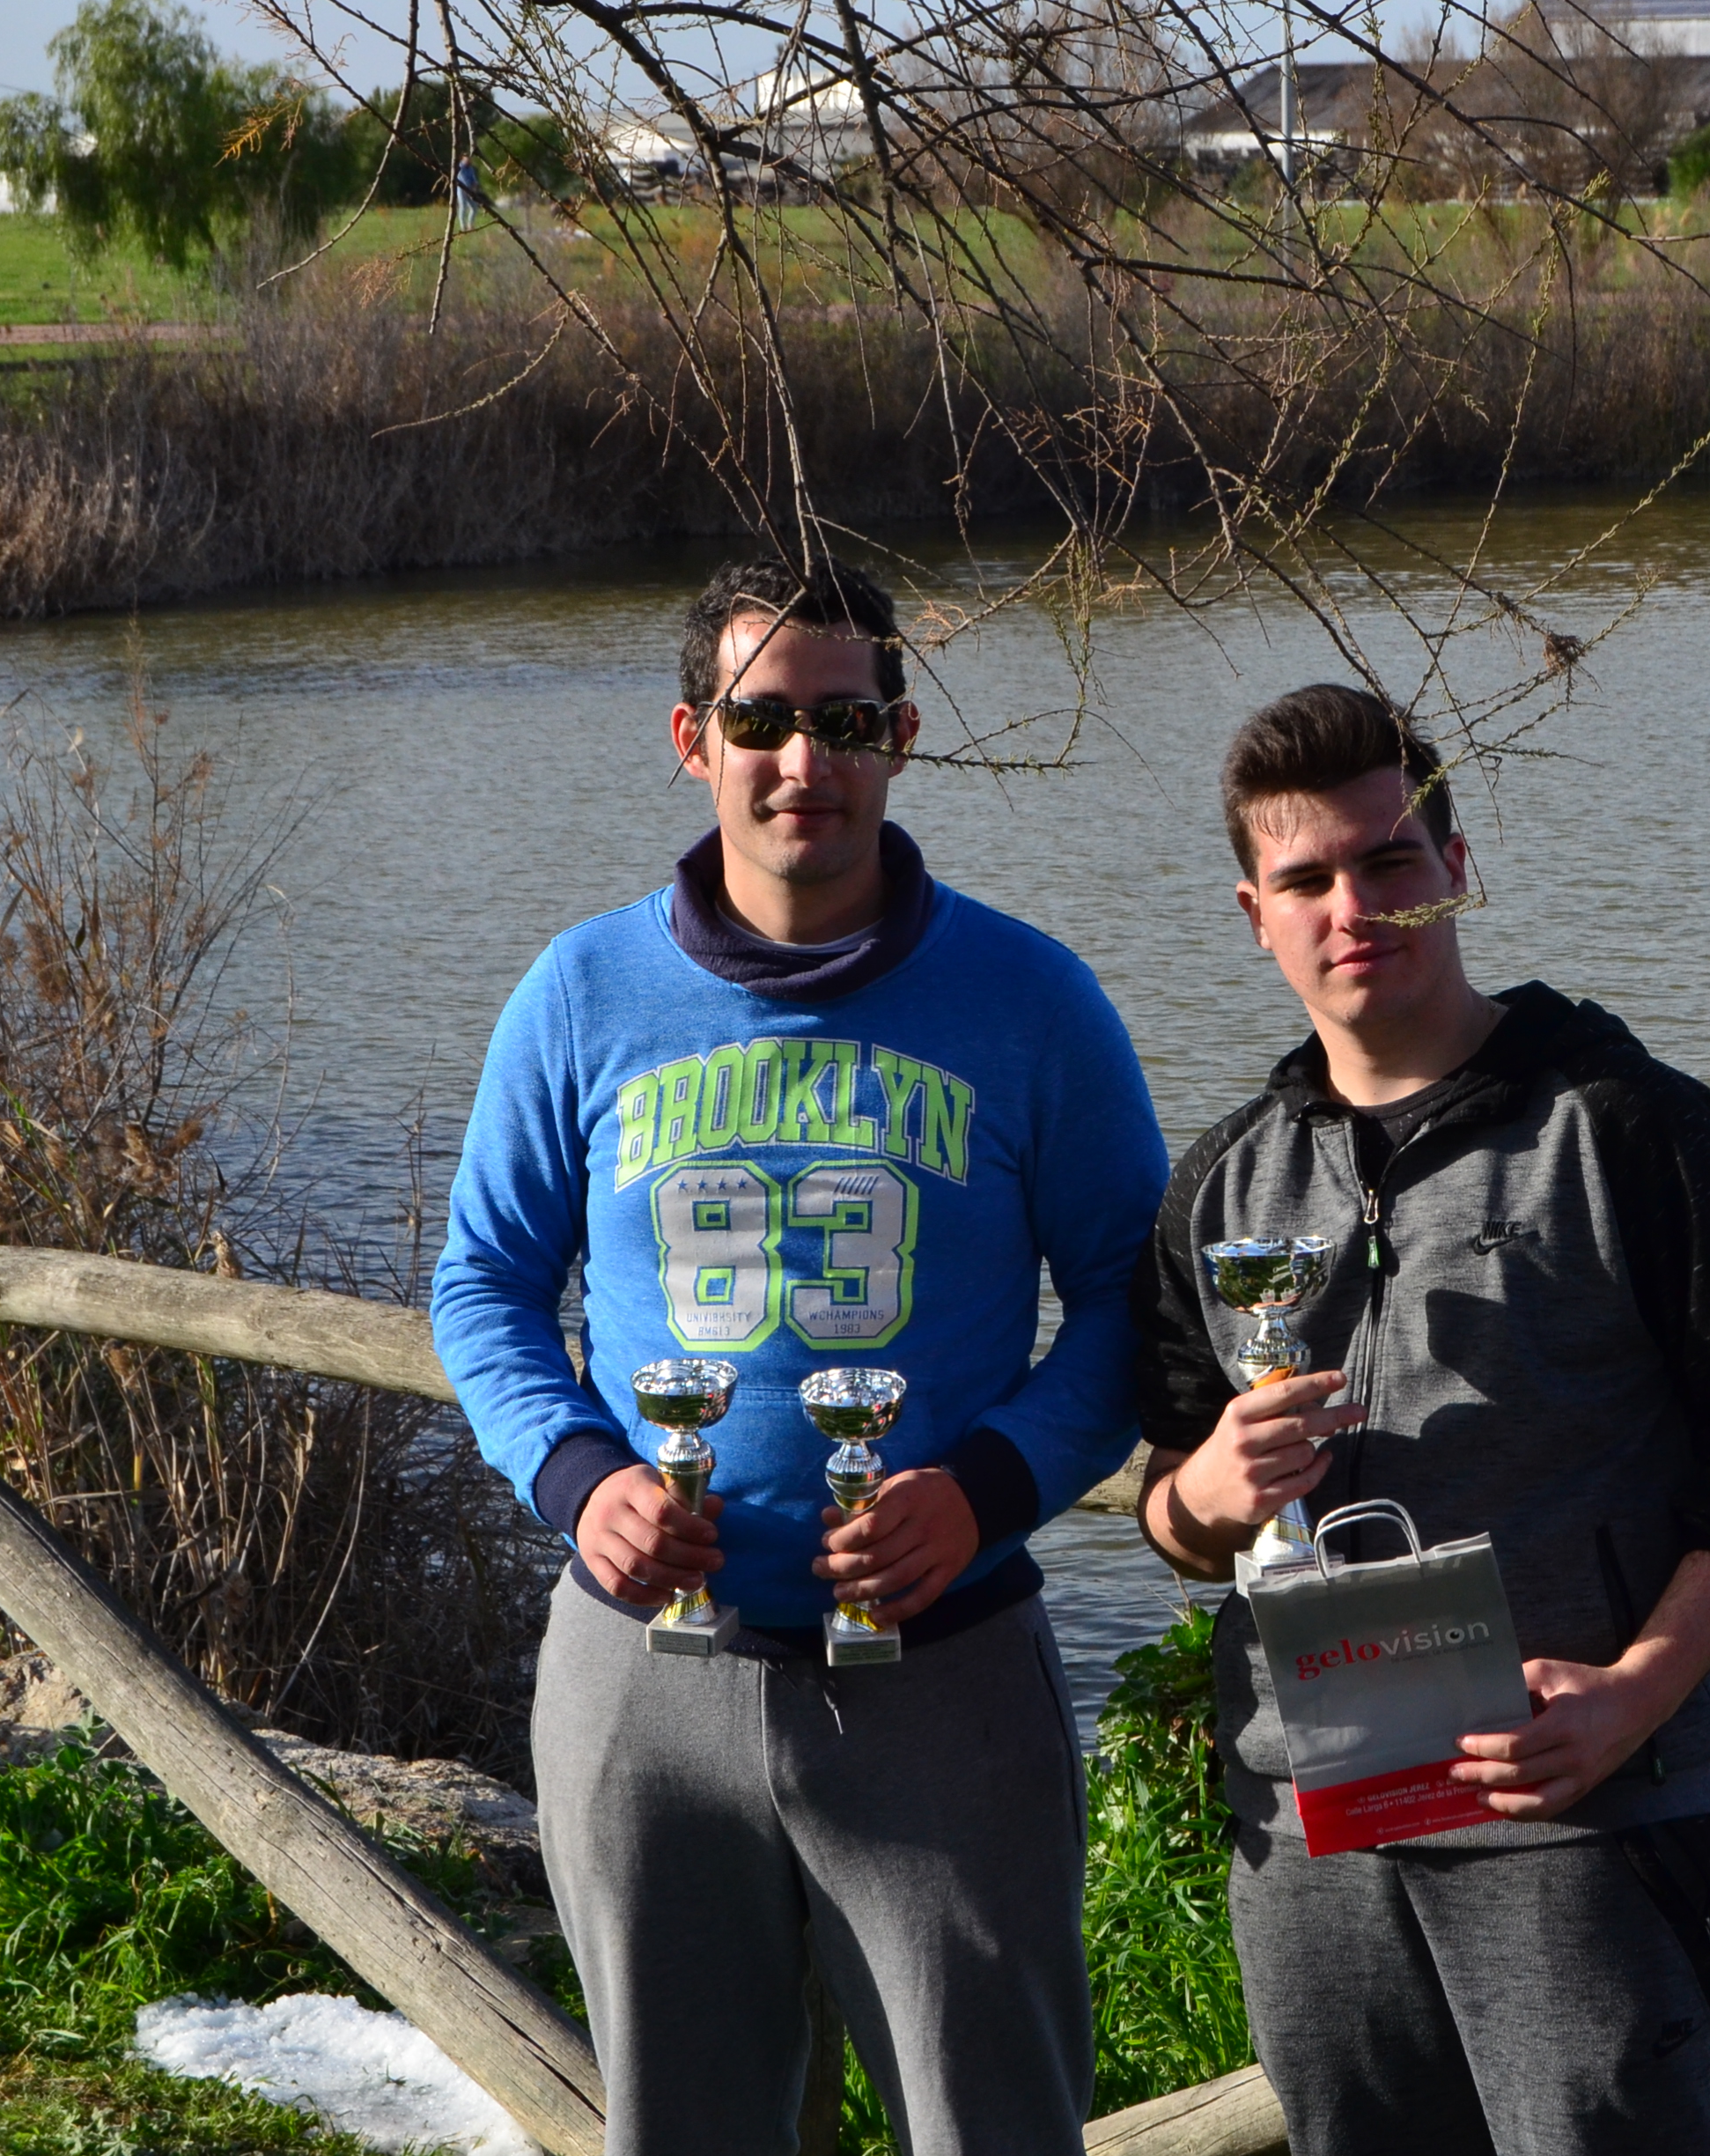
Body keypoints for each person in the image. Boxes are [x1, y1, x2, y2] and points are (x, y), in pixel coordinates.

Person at [431, 557, 1167, 2155]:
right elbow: (483, 1283)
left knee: (992, 2127)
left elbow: (1137, 1304)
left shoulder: (1034, 1002)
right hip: (643, 1678)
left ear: (901, 736)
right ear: (691, 737)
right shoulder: (581, 994)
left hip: (944, 1669)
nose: (801, 762)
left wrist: (989, 1490)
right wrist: (581, 1479)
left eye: (844, 720)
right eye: (761, 719)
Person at [1129, 683, 1710, 2156]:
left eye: (1389, 861)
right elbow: (1170, 1497)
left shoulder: (1629, 1125)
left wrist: (1634, 1695)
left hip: (1575, 1800)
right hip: (1312, 1821)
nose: (1354, 907)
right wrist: (1203, 1496)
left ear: (1456, 868)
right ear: (1254, 914)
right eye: (1307, 879)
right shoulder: (1224, 1182)